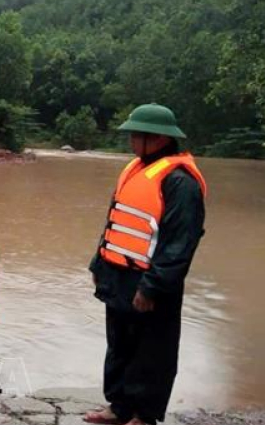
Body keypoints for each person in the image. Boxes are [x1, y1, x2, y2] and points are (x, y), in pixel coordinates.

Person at [84, 104, 207, 425]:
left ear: (158, 139)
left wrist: (152, 286)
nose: (131, 140)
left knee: (152, 351)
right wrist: (99, 265)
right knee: (120, 344)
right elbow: (116, 221)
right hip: (118, 275)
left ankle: (143, 415)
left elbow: (179, 244)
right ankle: (119, 407)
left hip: (151, 282)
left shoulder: (182, 183)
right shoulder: (134, 170)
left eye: (137, 135)